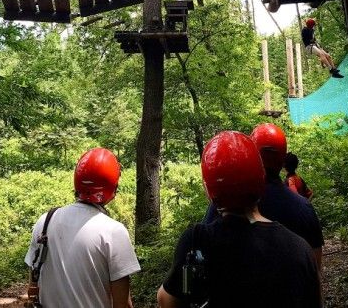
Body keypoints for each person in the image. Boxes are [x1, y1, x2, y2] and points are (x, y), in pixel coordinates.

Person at [158, 131, 321, 308]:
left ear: (209, 190)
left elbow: (167, 300)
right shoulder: (299, 249)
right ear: (260, 178)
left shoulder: (196, 241)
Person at [25, 147, 140, 308]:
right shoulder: (114, 232)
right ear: (113, 187)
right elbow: (123, 304)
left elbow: (33, 286)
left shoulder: (45, 221)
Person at [203, 123, 325, 268]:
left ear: (252, 155)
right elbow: (315, 269)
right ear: (283, 160)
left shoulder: (229, 204)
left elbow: (205, 248)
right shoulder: (304, 208)